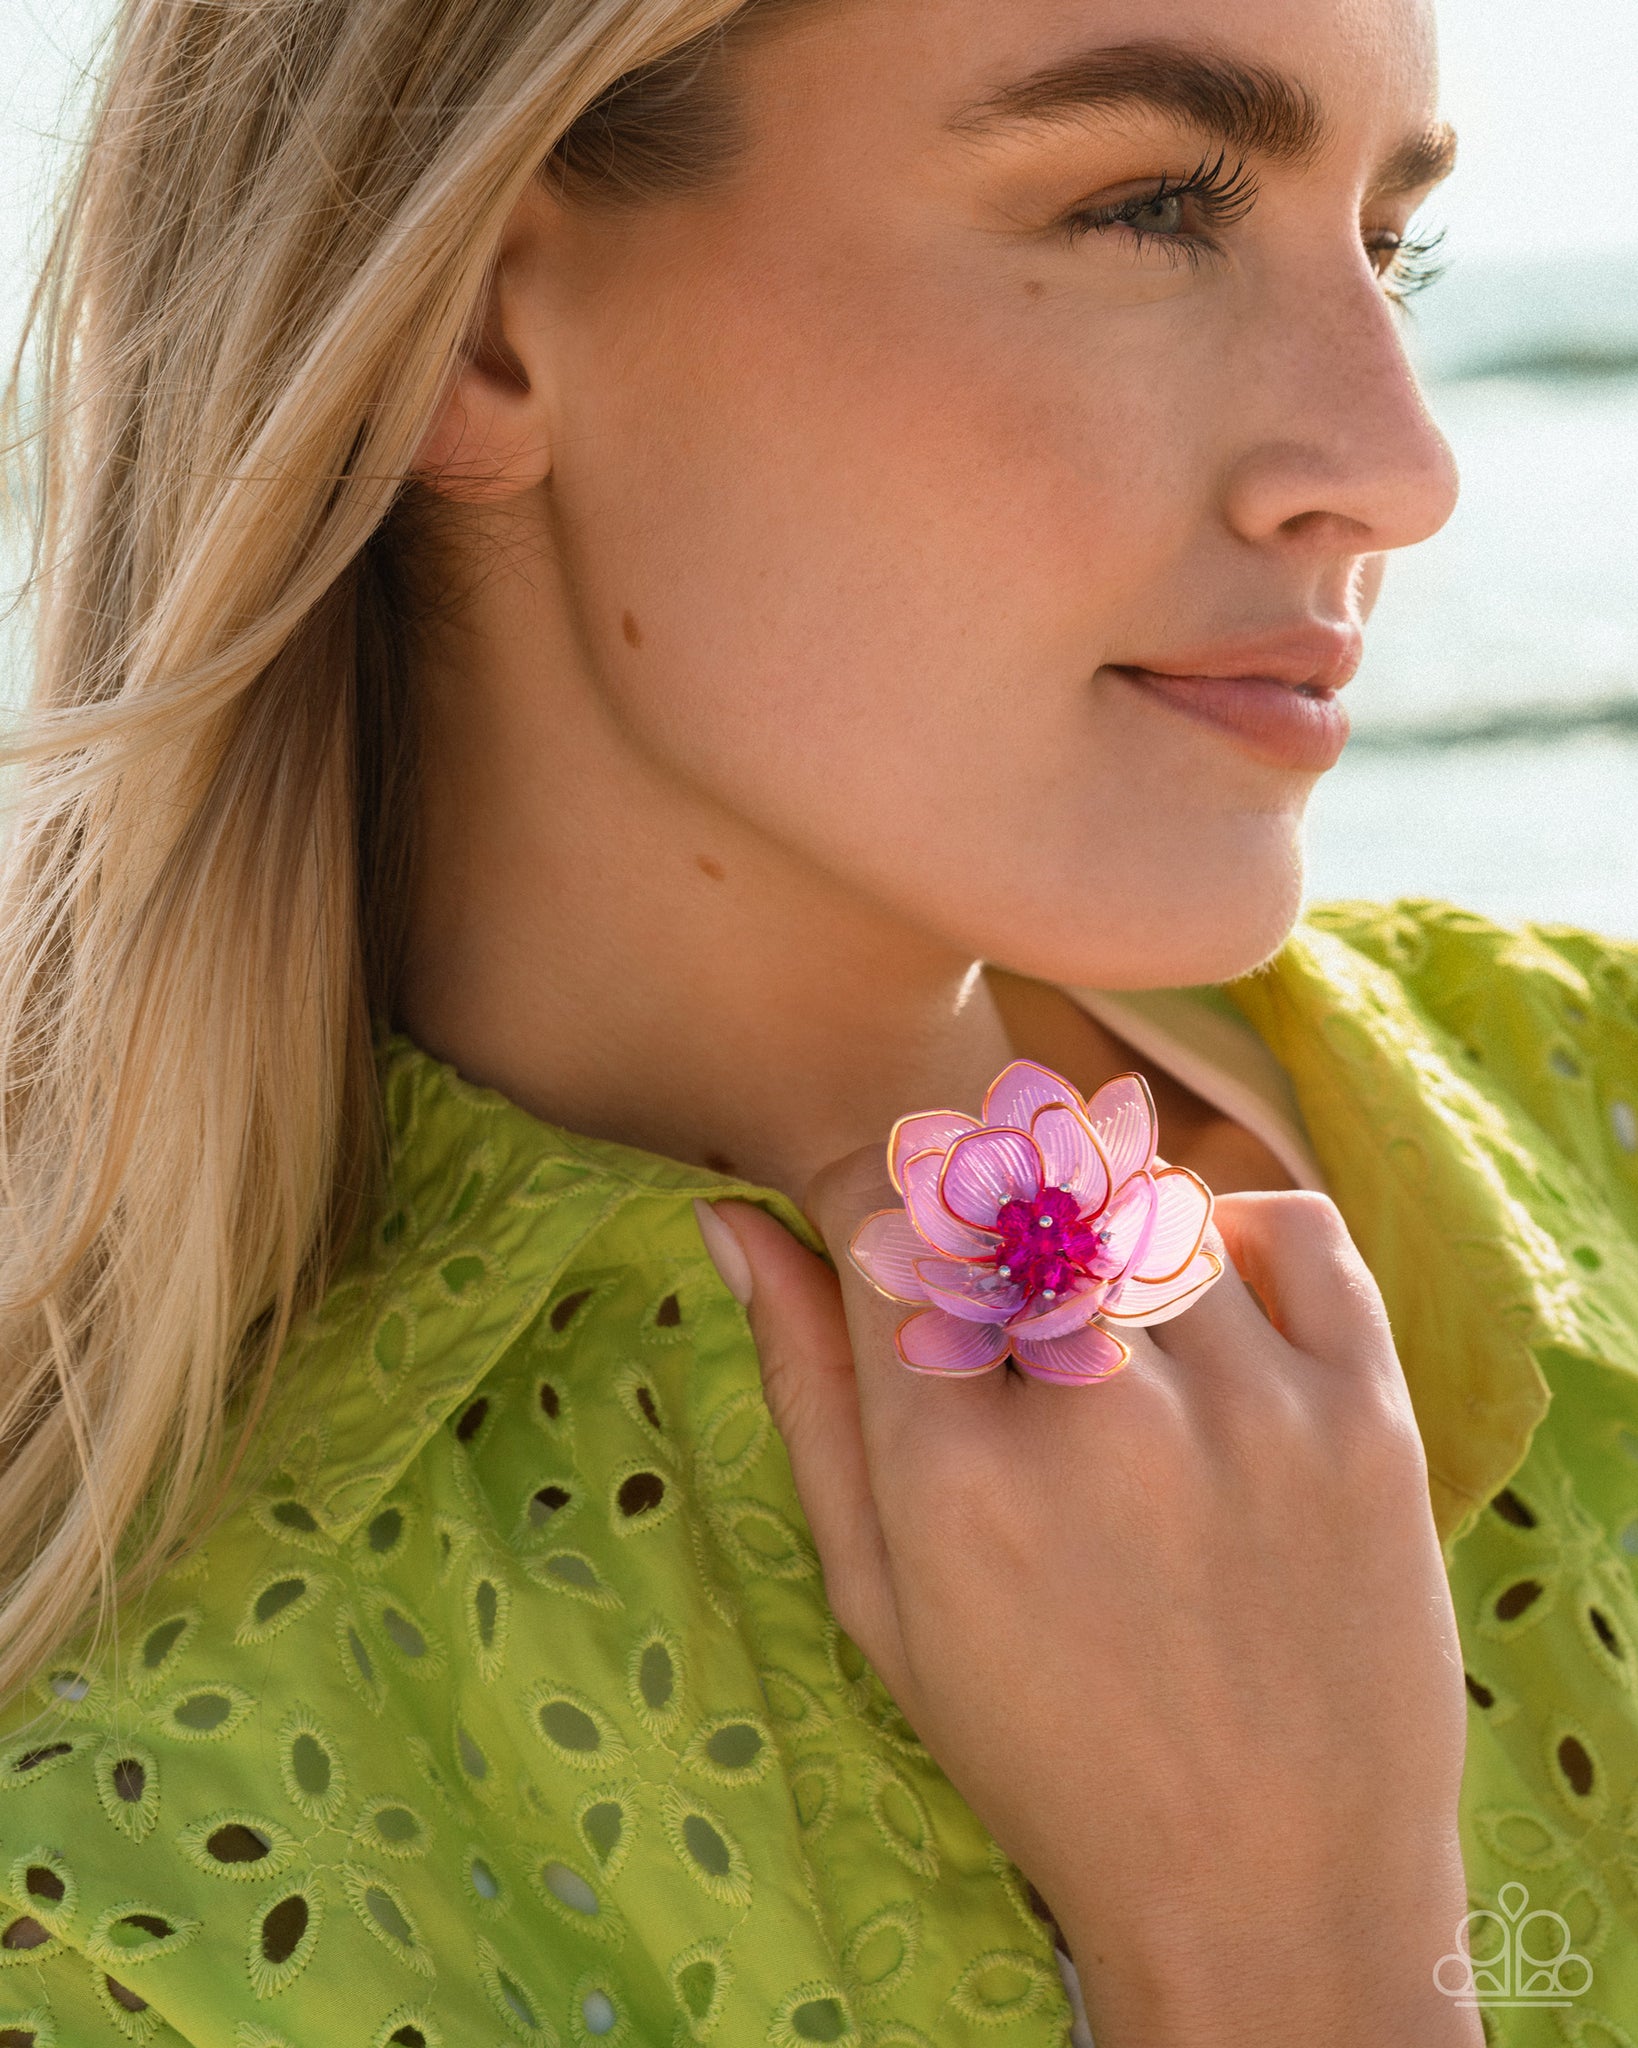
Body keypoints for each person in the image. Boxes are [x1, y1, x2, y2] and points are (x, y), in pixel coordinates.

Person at [0, 0, 1632, 2041]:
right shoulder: (126, 1863)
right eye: (1147, 208)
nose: (1400, 469)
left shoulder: (1600, 1109)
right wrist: (1296, 1968)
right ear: (474, 326)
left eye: (1390, 248)